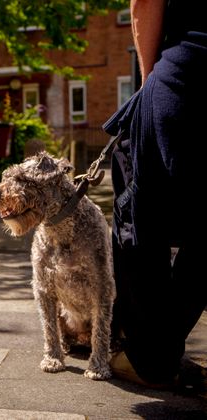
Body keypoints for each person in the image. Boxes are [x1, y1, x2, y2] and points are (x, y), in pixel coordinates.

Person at [103, 0, 207, 389]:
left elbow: (145, 2)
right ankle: (157, 350)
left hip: (190, 69)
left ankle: (150, 357)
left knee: (141, 210)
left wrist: (149, 81)